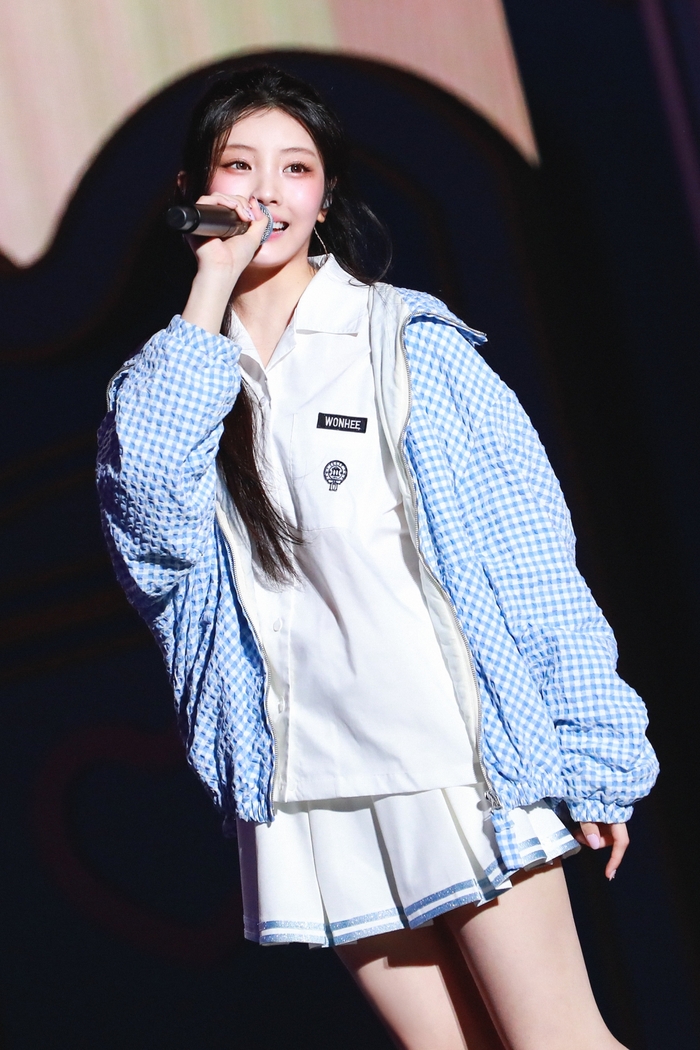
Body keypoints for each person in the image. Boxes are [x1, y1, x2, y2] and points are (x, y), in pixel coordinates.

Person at [96, 66, 659, 1050]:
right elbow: (148, 530)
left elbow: (529, 553)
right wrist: (211, 286)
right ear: (192, 191)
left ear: (325, 198)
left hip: (453, 751)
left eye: (296, 168)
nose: (266, 192)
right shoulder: (175, 377)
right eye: (238, 165)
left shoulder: (406, 341)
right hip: (311, 775)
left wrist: (594, 746)